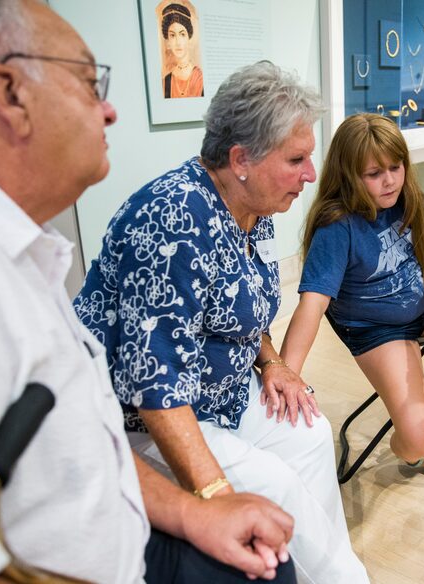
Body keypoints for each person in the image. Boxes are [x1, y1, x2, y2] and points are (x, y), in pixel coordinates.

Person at [0, 1, 297, 582]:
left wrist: (191, 513)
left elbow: (87, 436)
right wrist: (209, 491)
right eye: (90, 83)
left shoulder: (3, 236)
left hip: (129, 523)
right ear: (10, 92)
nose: (109, 110)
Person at [74, 61, 369, 584]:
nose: (311, 174)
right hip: (143, 422)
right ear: (241, 160)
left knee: (310, 433)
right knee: (272, 483)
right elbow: (154, 386)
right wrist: (215, 500)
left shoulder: (252, 208)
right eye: (297, 159)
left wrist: (273, 362)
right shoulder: (171, 221)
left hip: (223, 394)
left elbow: (244, 307)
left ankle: (326, 572)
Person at [279, 113, 424, 481]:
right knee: (419, 439)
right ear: (348, 175)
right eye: (374, 174)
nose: (389, 181)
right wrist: (288, 375)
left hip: (422, 303)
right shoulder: (336, 226)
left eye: (395, 167)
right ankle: (423, 457)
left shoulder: (409, 197)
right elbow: (312, 306)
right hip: (377, 330)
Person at [161, 3, 203, 98]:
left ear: (189, 37)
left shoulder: (200, 78)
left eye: (182, 34)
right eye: (172, 35)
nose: (178, 42)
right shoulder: (166, 81)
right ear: (168, 42)